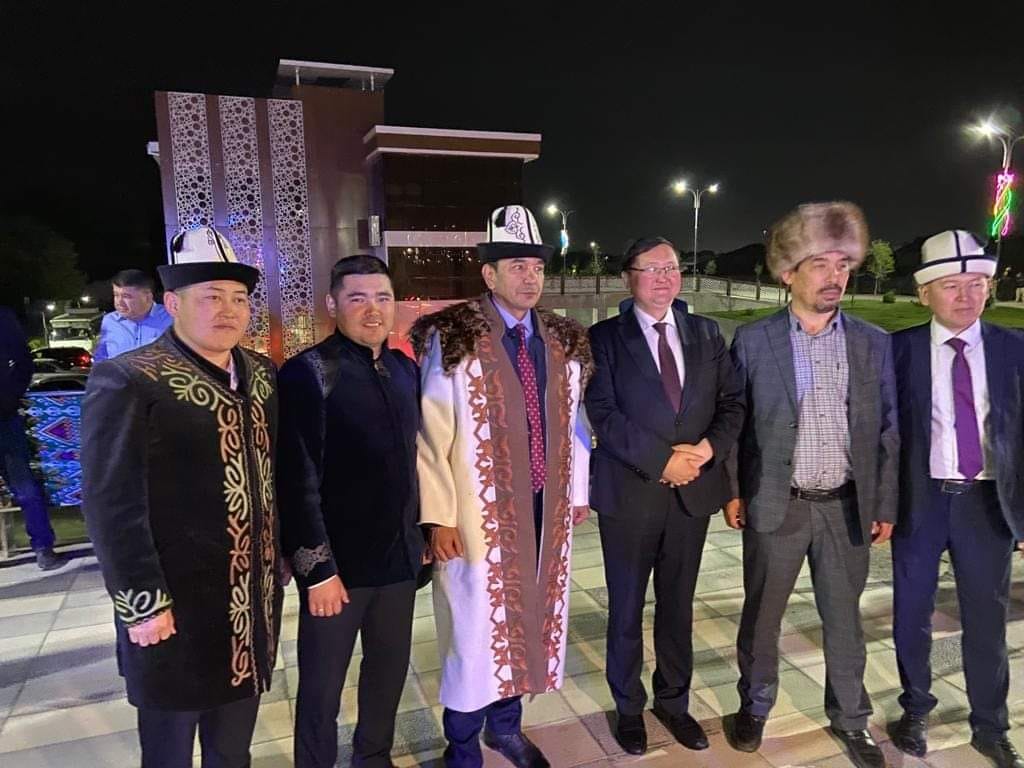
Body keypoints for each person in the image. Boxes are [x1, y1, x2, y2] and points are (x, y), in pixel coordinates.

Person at [81, 226, 283, 768]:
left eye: (238, 298)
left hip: (248, 602)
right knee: (169, 749)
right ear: (173, 304)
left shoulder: (261, 374)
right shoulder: (129, 379)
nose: (229, 310)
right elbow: (111, 504)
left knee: (232, 747)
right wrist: (142, 602)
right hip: (174, 606)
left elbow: (273, 473)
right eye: (211, 297)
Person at [411, 205, 592, 768]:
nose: (530, 278)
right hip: (477, 513)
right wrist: (439, 516)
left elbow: (576, 422)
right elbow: (431, 432)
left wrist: (576, 493)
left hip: (544, 508)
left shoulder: (560, 338)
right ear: (489, 274)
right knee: (474, 630)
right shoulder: (454, 336)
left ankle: (506, 729)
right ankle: (462, 743)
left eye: (536, 267)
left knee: (528, 619)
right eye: (517, 267)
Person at [724, 202, 898, 768]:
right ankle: (754, 706)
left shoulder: (872, 342)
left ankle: (851, 719)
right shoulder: (754, 341)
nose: (834, 276)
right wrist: (733, 490)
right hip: (778, 504)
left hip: (846, 508)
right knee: (762, 617)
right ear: (788, 273)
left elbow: (888, 430)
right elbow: (735, 423)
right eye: (820, 263)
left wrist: (884, 502)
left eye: (843, 264)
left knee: (845, 620)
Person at [584, 236, 744, 755]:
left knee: (678, 606)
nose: (663, 278)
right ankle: (628, 707)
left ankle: (673, 703)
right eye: (651, 269)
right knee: (626, 608)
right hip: (630, 495)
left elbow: (733, 403)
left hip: (691, 495)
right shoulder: (603, 339)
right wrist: (662, 461)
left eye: (671, 268)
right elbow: (603, 413)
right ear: (628, 277)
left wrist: (705, 451)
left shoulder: (706, 333)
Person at [277, 255, 428, 768]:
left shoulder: (404, 369)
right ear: (333, 304)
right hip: (337, 568)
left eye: (383, 298)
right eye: (358, 298)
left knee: (388, 672)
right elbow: (295, 478)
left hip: (398, 559)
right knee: (321, 687)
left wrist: (421, 535)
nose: (373, 310)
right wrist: (317, 569)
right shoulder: (308, 373)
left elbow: (415, 462)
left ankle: (373, 757)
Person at [889, 230, 1024, 768]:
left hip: (986, 504)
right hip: (921, 501)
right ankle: (916, 708)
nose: (965, 296)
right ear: (924, 293)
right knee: (911, 614)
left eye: (976, 284)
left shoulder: (1015, 349)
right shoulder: (897, 350)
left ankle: (990, 725)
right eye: (951, 285)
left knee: (987, 621)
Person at [0, 306, 65, 569]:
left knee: (25, 488)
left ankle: (42, 547)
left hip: (4, 419)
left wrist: (9, 397)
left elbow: (23, 362)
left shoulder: (2, 317)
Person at [93, 269, 172, 361]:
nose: (119, 302)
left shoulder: (172, 318)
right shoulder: (109, 321)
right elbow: (101, 358)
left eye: (126, 296)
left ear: (147, 297)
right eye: (116, 295)